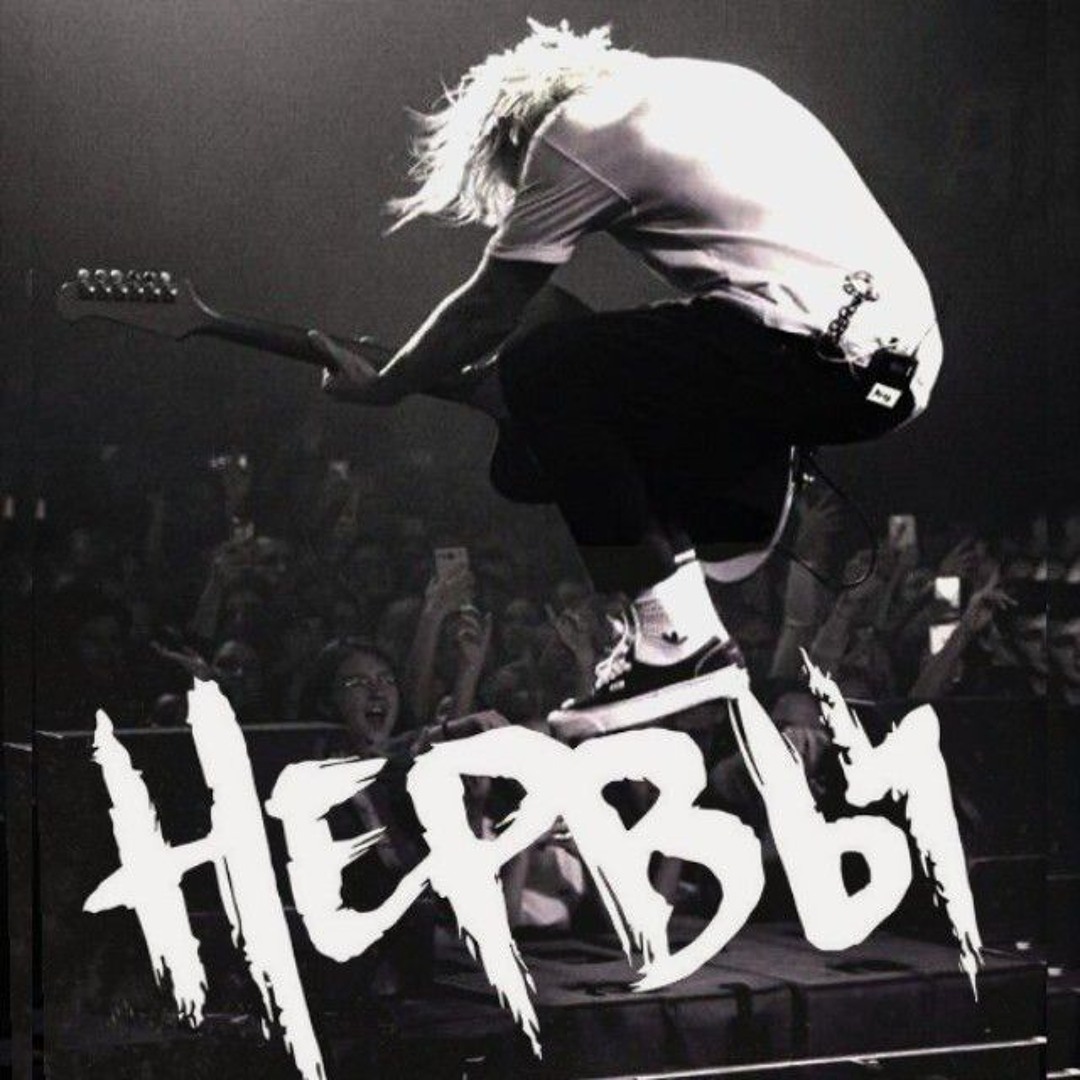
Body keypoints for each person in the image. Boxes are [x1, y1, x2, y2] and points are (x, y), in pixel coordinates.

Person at [310, 20, 944, 737]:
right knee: (557, 387)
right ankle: (737, 479)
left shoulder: (574, 130)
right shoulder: (711, 84)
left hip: (806, 356)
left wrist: (390, 383)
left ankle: (675, 639)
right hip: (887, 373)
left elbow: (492, 306)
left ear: (516, 137)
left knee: (546, 362)